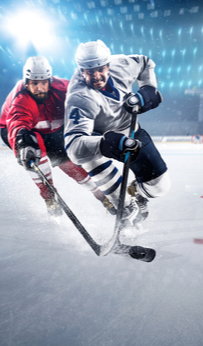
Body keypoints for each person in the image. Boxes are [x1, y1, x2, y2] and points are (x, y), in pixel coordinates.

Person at [64, 40, 170, 227]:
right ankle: (124, 208)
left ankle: (136, 192)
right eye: (89, 72)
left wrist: (148, 89)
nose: (96, 76)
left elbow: (146, 62)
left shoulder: (122, 64)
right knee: (124, 207)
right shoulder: (79, 97)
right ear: (82, 71)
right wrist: (104, 144)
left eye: (100, 69)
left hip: (129, 130)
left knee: (160, 188)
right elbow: (74, 148)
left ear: (108, 65)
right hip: (96, 139)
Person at [0, 56, 116, 217]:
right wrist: (23, 141)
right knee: (34, 151)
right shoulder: (21, 99)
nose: (39, 88)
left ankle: (103, 197)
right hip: (17, 131)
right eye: (34, 83)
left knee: (73, 166)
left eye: (43, 83)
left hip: (53, 128)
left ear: (50, 80)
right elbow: (17, 121)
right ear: (27, 83)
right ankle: (48, 196)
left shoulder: (66, 89)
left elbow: (92, 94)